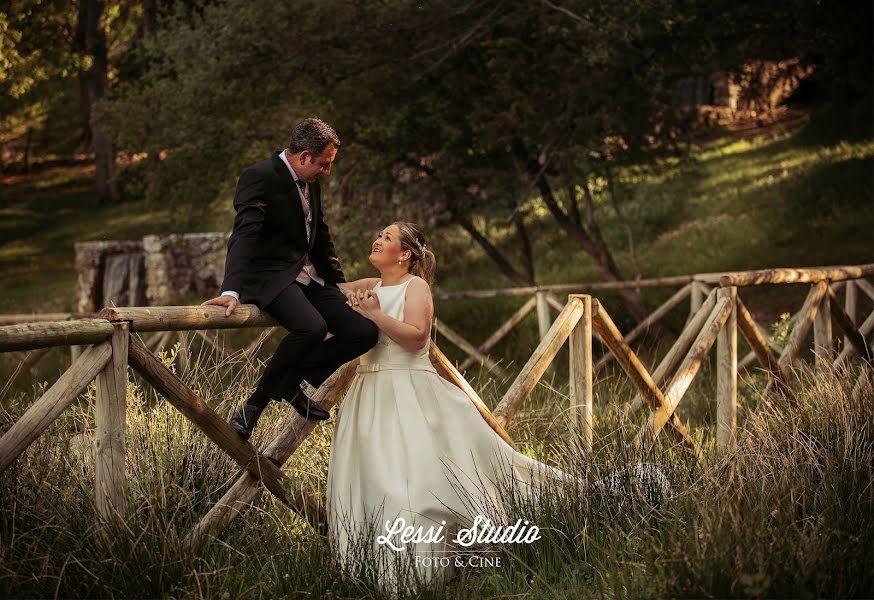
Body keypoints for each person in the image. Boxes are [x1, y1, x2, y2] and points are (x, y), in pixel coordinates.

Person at [325, 222, 574, 593]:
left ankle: (420, 565)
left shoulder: (416, 287)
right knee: (372, 475)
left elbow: (416, 339)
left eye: (387, 238)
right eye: (378, 235)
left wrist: (375, 315)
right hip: (368, 393)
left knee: (412, 479)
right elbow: (322, 290)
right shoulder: (368, 285)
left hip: (408, 391)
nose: (377, 240)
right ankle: (368, 564)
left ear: (406, 254)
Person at [201, 118, 378, 441]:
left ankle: (289, 379)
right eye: (324, 164)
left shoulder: (312, 181)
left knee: (364, 331)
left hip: (311, 279)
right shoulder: (259, 177)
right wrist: (231, 290)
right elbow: (244, 235)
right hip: (271, 278)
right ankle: (254, 406)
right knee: (312, 328)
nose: (327, 171)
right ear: (304, 157)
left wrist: (338, 282)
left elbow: (319, 236)